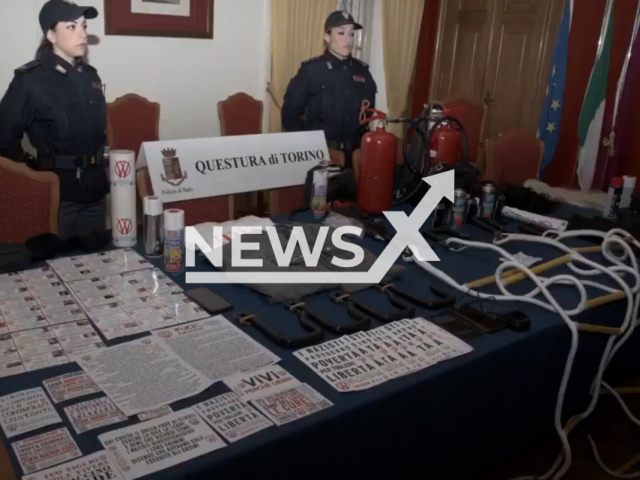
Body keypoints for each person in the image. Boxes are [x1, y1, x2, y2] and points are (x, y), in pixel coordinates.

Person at [0, 0, 109, 240]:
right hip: (57, 195)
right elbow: (3, 138)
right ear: (51, 34)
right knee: (58, 267)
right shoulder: (30, 80)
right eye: (71, 27)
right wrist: (32, 171)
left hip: (95, 191)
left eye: (84, 26)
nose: (82, 34)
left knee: (99, 265)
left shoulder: (90, 77)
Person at [281, 10, 377, 169]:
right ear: (327, 37)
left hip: (354, 158)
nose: (348, 39)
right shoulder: (311, 71)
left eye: (351, 34)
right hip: (321, 157)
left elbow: (367, 114)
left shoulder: (362, 72)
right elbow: (289, 115)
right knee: (321, 194)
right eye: (341, 33)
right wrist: (310, 146)